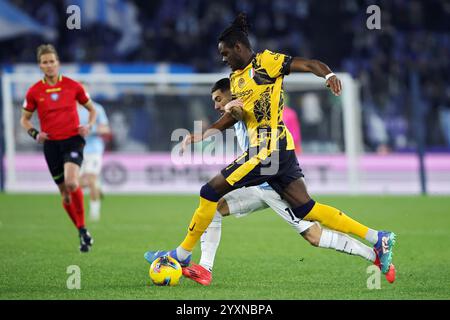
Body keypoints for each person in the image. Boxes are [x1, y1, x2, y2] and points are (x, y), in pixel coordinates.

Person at [144, 13, 396, 279]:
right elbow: (235, 116)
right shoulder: (237, 79)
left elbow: (309, 64)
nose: (223, 58)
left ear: (238, 48)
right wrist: (203, 133)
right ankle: (377, 238)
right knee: (307, 209)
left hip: (268, 149)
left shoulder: (265, 62)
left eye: (225, 53)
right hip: (276, 152)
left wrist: (328, 74)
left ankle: (181, 255)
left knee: (209, 191)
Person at [181, 78, 395, 285]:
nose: (216, 105)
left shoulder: (249, 106)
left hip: (275, 185)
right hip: (260, 183)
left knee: (313, 233)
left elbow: (241, 113)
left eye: (219, 99)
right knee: (215, 207)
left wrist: (231, 110)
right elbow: (235, 117)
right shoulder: (239, 108)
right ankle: (204, 268)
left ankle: (375, 247)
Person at [20, 44, 97, 252]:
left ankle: (82, 228)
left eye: (52, 61)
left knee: (72, 183)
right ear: (40, 65)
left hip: (73, 140)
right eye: (45, 62)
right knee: (64, 193)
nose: (49, 65)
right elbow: (24, 120)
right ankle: (82, 230)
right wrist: (35, 134)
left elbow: (92, 109)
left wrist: (88, 125)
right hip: (51, 145)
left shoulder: (73, 86)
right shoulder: (34, 91)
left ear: (58, 63)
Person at [78, 84, 111, 221]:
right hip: (76, 149)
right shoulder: (69, 110)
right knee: (77, 184)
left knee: (90, 180)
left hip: (93, 150)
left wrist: (89, 130)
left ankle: (94, 214)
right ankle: (98, 185)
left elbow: (105, 130)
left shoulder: (97, 108)